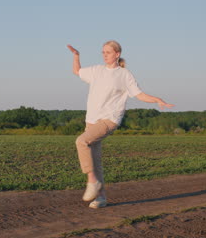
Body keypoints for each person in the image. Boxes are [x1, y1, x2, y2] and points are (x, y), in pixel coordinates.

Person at [67, 40, 175, 209]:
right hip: (91, 120)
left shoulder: (124, 75)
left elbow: (139, 95)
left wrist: (156, 100)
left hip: (109, 119)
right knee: (95, 160)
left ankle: (92, 181)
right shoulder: (97, 70)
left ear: (117, 54)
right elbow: (77, 71)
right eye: (103, 52)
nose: (104, 55)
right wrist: (76, 56)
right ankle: (101, 197)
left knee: (81, 141)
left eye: (108, 52)